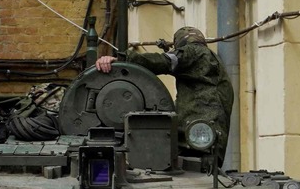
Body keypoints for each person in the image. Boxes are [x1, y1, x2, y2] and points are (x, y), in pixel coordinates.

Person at [95, 27, 233, 167]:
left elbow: (166, 61)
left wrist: (122, 59)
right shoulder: (213, 64)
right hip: (207, 146)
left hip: (197, 146)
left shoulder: (196, 52)